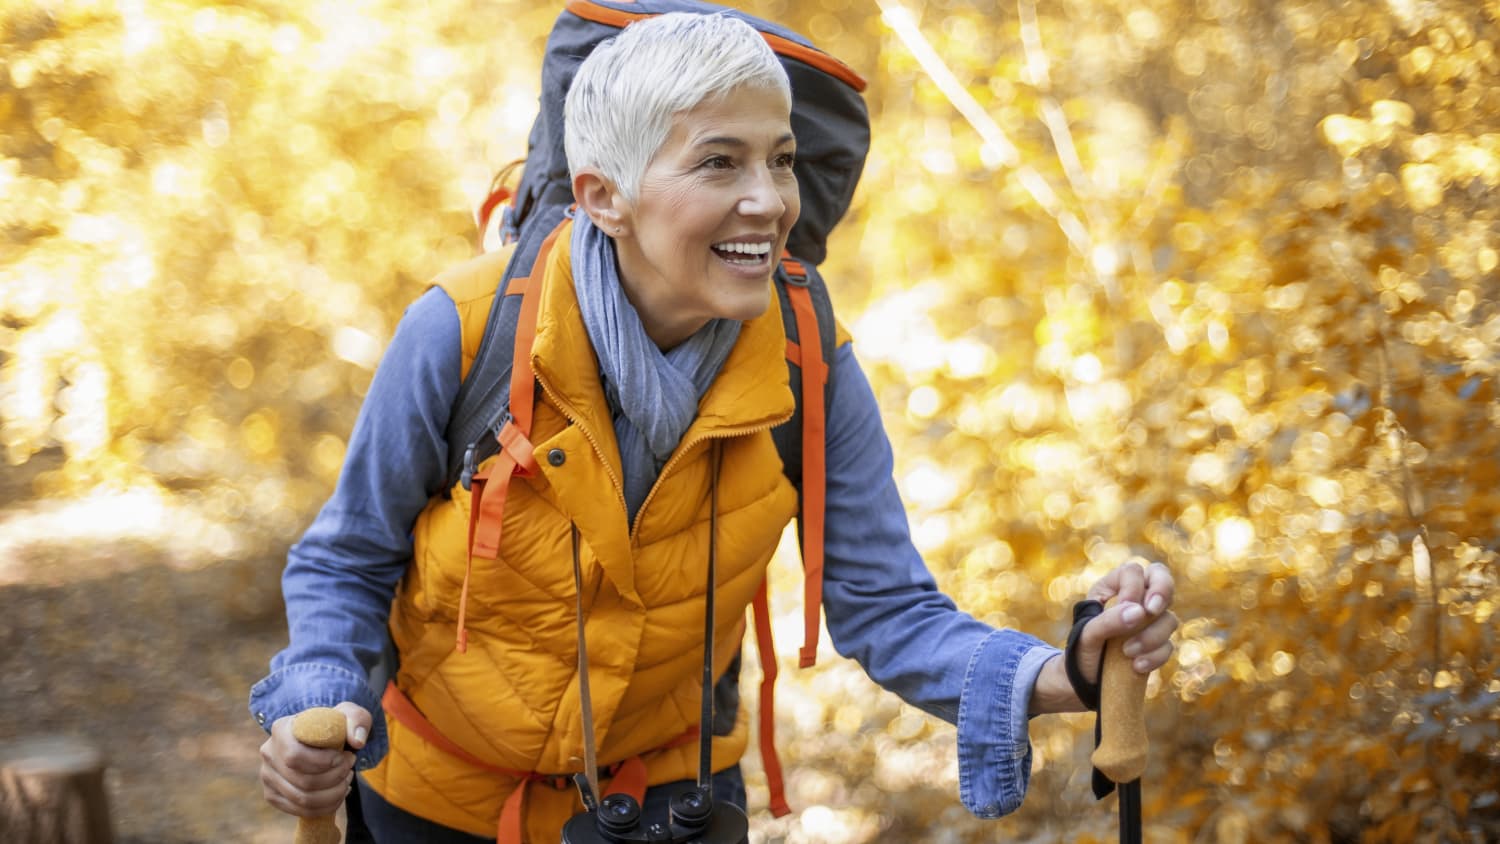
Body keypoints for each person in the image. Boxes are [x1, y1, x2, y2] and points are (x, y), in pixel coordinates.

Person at [250, 10, 1179, 843]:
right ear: (603, 195)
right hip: (439, 805)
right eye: (719, 161)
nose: (772, 201)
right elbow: (347, 559)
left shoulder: (807, 352)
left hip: (671, 801)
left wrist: (1067, 675)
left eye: (781, 159)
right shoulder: (464, 330)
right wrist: (319, 703)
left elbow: (888, 607)